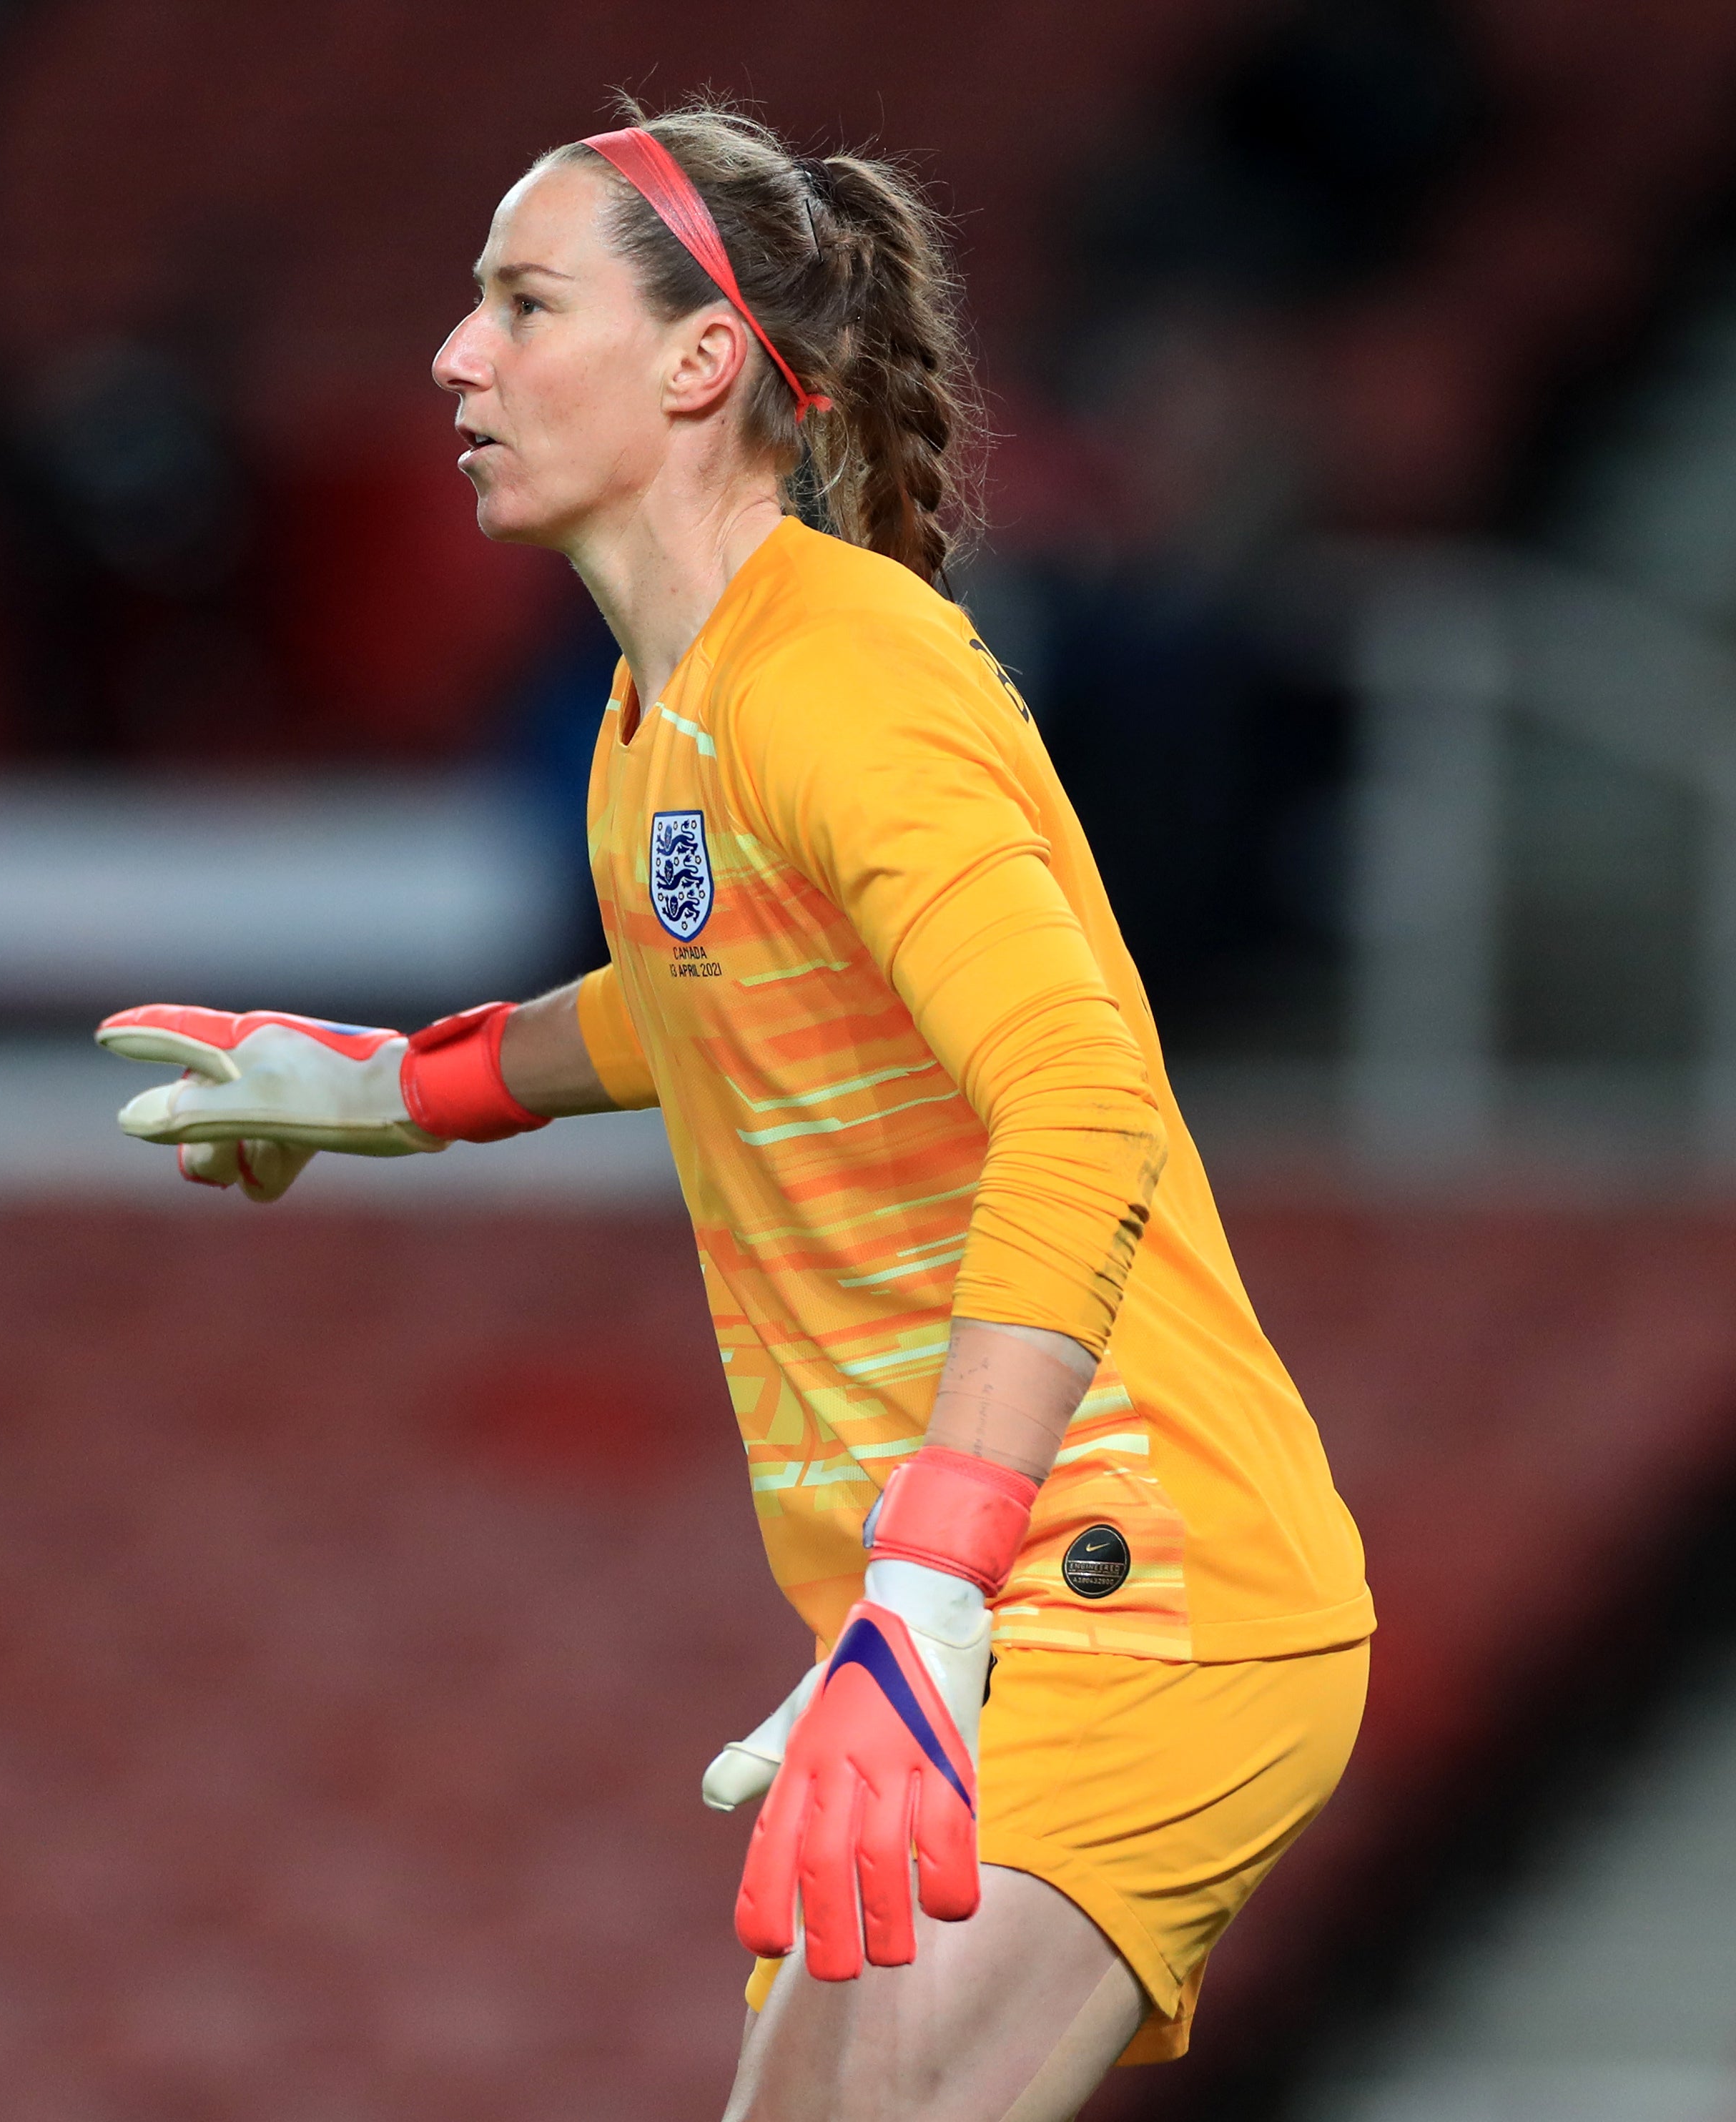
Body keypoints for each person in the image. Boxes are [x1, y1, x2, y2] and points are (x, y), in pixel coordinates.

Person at [96, 100, 1371, 2122]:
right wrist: (392, 1086)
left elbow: (1081, 1093)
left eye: (523, 303)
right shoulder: (663, 713)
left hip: (1122, 1592)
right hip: (1008, 1607)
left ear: (700, 364)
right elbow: (716, 997)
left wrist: (936, 1580)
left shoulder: (841, 678)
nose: (455, 356)